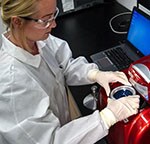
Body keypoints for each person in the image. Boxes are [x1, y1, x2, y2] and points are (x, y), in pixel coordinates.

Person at [0, 0, 140, 144]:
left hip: (62, 122)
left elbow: (65, 64)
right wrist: (107, 117)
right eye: (45, 20)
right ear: (17, 22)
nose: (53, 24)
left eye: (54, 15)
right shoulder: (11, 85)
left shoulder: (35, 38)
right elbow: (51, 141)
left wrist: (94, 74)